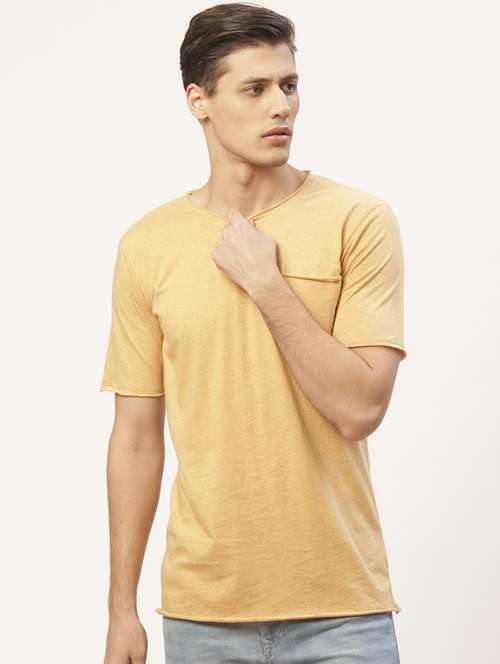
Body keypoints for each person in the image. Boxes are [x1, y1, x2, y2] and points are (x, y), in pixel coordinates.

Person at [100, 3, 406, 663]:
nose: (281, 106)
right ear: (199, 101)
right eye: (255, 88)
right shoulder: (147, 246)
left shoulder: (358, 220)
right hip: (202, 616)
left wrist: (267, 285)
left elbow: (360, 408)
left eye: (289, 85)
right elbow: (135, 440)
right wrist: (121, 610)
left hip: (341, 612)